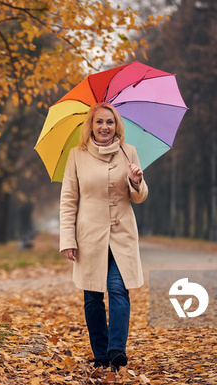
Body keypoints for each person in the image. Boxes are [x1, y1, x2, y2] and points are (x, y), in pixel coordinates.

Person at [59, 102, 148, 370]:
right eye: (99, 122)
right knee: (93, 296)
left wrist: (136, 180)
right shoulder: (77, 155)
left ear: (116, 125)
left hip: (122, 234)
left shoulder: (128, 152)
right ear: (91, 125)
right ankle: (100, 353)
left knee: (118, 289)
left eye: (109, 122)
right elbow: (68, 200)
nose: (104, 127)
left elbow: (140, 196)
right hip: (89, 236)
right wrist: (67, 239)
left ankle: (116, 350)